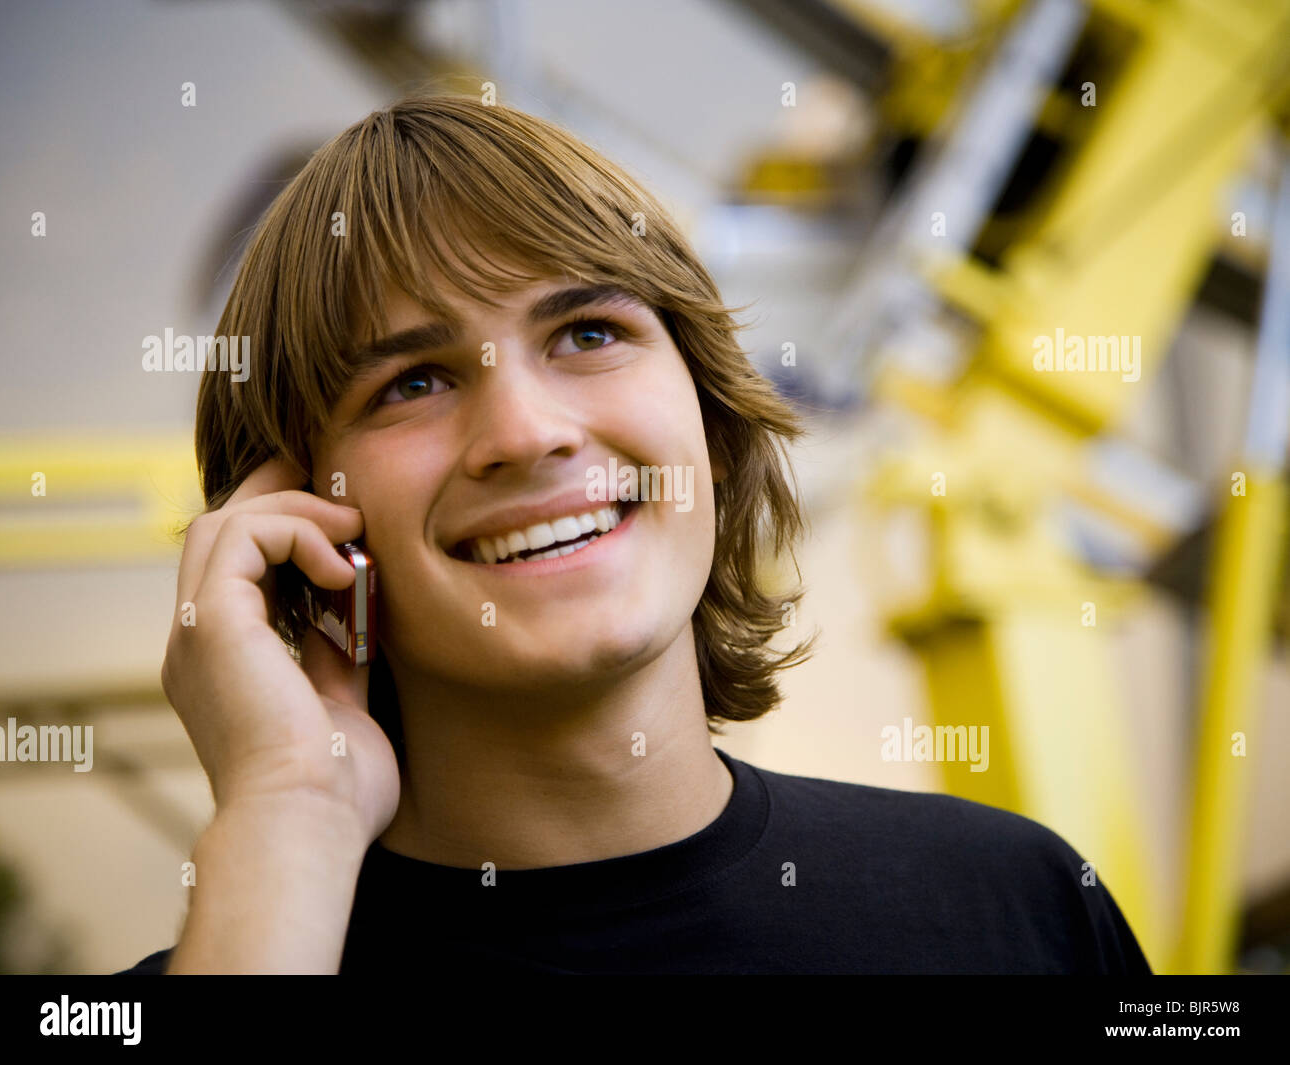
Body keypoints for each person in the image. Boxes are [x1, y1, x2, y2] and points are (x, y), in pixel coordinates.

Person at [117, 93, 1151, 975]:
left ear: (708, 412)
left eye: (588, 332)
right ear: (291, 512)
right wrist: (290, 810)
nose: (526, 433)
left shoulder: (1022, 913)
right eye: (412, 383)